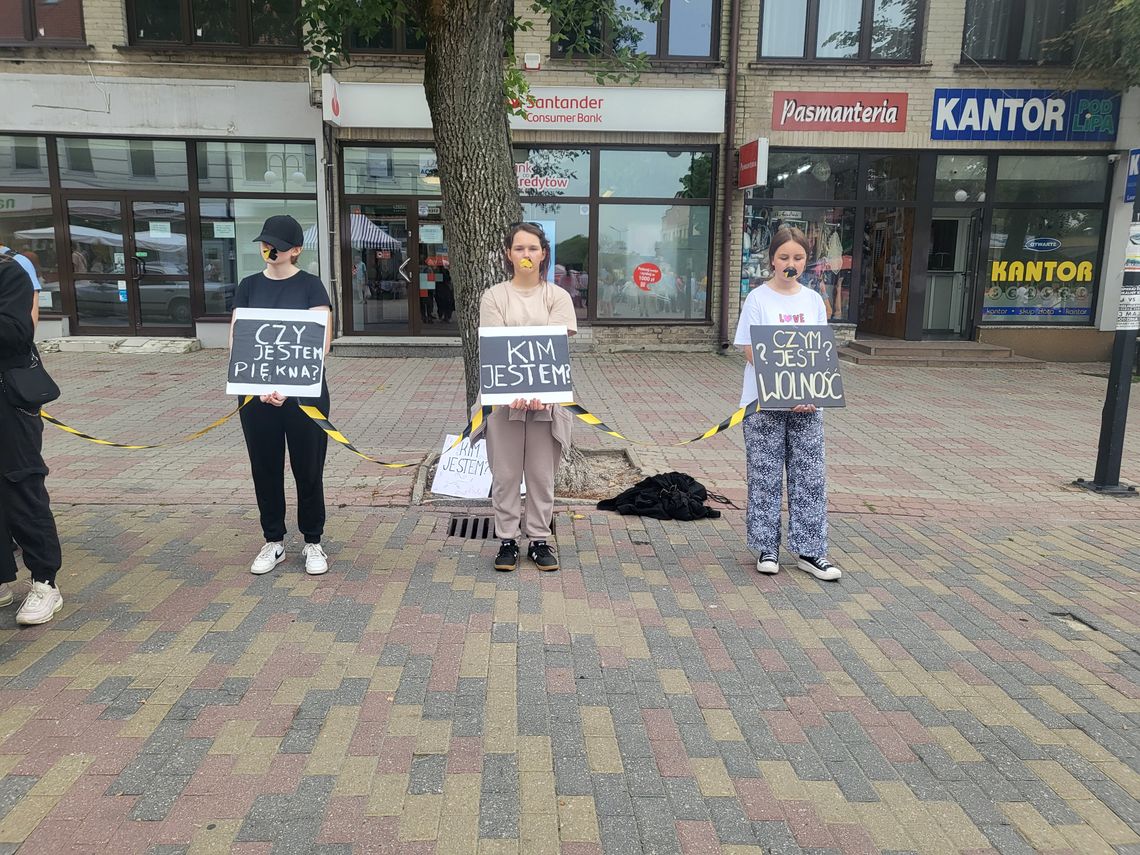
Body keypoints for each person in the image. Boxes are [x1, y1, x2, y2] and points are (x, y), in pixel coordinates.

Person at [734, 227, 841, 582]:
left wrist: (806, 392)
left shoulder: (812, 300)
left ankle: (811, 550)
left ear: (807, 261)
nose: (790, 264)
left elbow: (819, 352)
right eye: (784, 257)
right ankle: (766, 547)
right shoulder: (758, 299)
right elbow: (750, 350)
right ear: (772, 260)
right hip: (764, 405)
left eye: (797, 258)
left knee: (809, 478)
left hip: (808, 406)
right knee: (764, 477)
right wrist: (784, 388)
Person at [231, 215, 333, 577]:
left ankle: (313, 541)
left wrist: (287, 388)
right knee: (265, 467)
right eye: (264, 242)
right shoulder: (247, 286)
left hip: (303, 394)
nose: (267, 249)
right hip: (255, 396)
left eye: (275, 244)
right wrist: (259, 386)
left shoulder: (311, 286)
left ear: (296, 250)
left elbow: (320, 342)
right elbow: (239, 340)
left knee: (308, 468)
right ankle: (273, 540)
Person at [479, 223, 576, 573]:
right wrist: (513, 392)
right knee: (505, 474)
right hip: (504, 402)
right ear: (509, 254)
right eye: (519, 249)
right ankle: (506, 539)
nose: (526, 255)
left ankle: (538, 539)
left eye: (532, 248)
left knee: (540, 474)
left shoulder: (558, 297)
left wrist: (542, 393)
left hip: (547, 402)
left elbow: (554, 347)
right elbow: (497, 347)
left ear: (543, 253)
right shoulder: (493, 297)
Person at [0, 248, 65, 623]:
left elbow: (16, 332)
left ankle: (44, 582)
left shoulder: (9, 274)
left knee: (21, 486)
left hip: (8, 404)